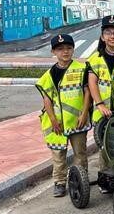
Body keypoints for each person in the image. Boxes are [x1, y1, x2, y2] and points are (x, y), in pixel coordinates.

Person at [35, 34, 91, 197]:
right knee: (59, 154)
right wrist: (53, 120)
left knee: (80, 153)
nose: (65, 52)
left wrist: (85, 113)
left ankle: (81, 179)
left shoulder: (82, 69)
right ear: (54, 51)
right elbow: (47, 99)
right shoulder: (49, 75)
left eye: (68, 48)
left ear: (73, 49)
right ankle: (59, 182)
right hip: (57, 123)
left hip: (77, 120)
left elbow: (87, 92)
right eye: (60, 49)